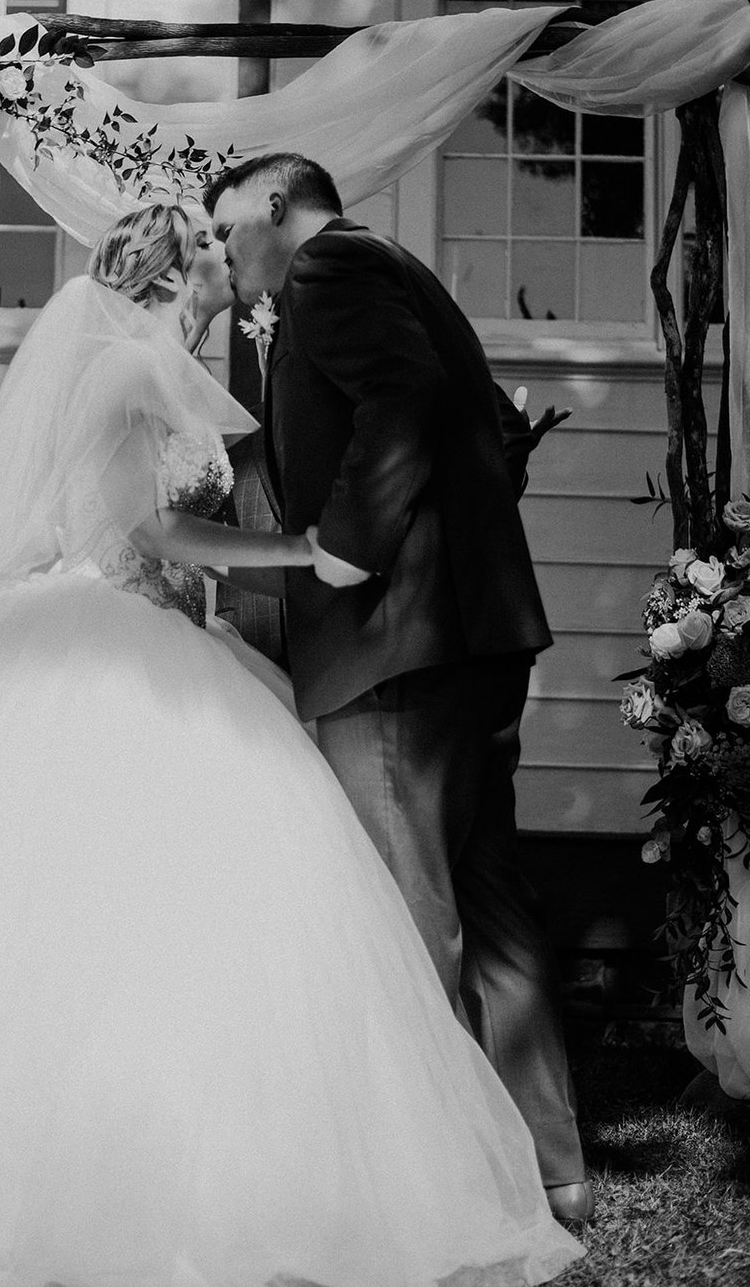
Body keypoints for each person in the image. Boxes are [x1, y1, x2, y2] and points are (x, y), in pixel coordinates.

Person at [0, 202, 583, 1287]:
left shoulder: (161, 360)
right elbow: (154, 531)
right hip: (119, 634)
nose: (228, 260)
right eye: (209, 245)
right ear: (173, 267)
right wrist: (301, 548)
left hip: (172, 625)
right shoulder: (132, 371)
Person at [204, 154, 593, 1224]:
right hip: (471, 639)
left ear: (278, 205)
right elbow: (484, 430)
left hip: (396, 650)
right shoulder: (399, 271)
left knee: (405, 915)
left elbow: (405, 397)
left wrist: (350, 544)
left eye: (231, 227)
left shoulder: (329, 271)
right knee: (490, 905)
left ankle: (447, 1186)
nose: (229, 256)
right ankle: (551, 1170)